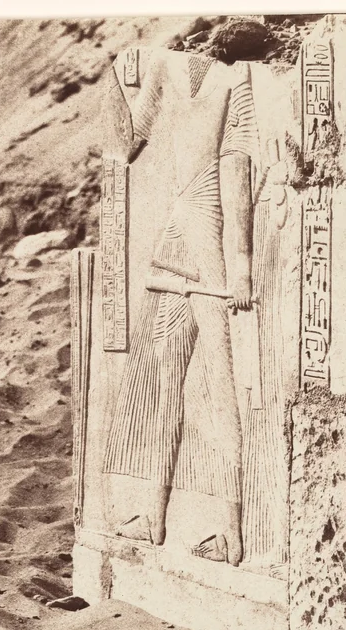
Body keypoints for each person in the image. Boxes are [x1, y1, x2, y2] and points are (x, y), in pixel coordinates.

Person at [101, 51, 258, 567]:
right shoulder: (211, 75)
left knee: (209, 384)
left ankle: (228, 531)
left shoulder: (183, 70)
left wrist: (241, 270)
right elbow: (231, 174)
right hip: (194, 235)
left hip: (197, 238)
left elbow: (125, 146)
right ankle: (155, 515)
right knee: (182, 377)